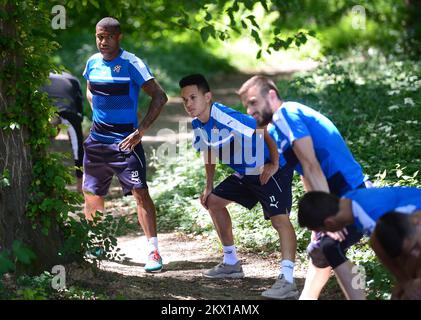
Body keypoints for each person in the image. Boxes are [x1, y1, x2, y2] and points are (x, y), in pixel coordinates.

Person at [238, 75, 368, 300]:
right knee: (320, 250)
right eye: (246, 106)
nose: (250, 110)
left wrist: (330, 216)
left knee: (327, 248)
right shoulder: (277, 129)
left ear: (271, 96)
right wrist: (318, 218)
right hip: (335, 191)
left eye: (253, 102)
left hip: (348, 191)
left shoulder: (286, 114)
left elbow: (312, 165)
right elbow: (305, 172)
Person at [179, 74, 298, 300]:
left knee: (279, 220)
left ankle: (288, 280)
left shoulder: (223, 115)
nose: (189, 104)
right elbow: (209, 151)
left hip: (269, 167)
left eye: (193, 97)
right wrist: (208, 186)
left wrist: (273, 164)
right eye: (185, 100)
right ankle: (231, 262)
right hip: (246, 172)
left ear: (208, 97)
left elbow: (263, 129)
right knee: (212, 202)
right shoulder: (198, 124)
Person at [82, 17, 168, 272]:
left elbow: (160, 96)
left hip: (126, 142)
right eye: (99, 36)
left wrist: (140, 132)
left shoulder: (132, 63)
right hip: (97, 141)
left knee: (140, 192)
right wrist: (97, 112)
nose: (102, 42)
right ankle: (96, 242)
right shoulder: (92, 63)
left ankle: (153, 251)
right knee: (92, 192)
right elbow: (90, 89)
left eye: (108, 36)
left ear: (119, 37)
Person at [42, 71, 84, 193]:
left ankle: (42, 181)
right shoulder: (73, 79)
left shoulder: (42, 77)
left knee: (39, 144)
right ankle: (80, 186)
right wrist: (78, 119)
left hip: (46, 108)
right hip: (69, 109)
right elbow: (79, 106)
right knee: (78, 148)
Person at [373, 211, 421, 300]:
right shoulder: (380, 238)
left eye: (415, 245)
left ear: (417, 222)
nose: (416, 253)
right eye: (411, 251)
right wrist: (406, 283)